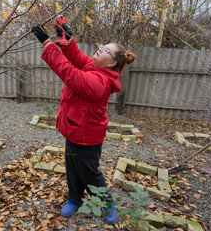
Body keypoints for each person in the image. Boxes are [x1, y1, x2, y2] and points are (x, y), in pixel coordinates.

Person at [31, 19, 136, 225]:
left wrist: (47, 44)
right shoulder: (96, 67)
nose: (100, 49)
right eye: (102, 46)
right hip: (74, 129)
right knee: (72, 167)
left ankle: (107, 204)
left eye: (105, 50)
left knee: (90, 173)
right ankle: (74, 199)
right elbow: (78, 57)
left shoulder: (100, 82)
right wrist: (68, 41)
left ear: (112, 62)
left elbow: (69, 72)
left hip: (87, 137)